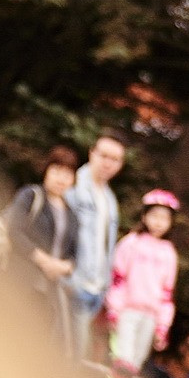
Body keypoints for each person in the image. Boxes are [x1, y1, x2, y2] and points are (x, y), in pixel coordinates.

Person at [2, 146, 82, 348]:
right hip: (19, 280)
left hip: (48, 292)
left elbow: (74, 255)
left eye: (67, 173)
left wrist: (63, 267)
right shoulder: (30, 195)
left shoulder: (72, 215)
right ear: (46, 170)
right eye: (56, 170)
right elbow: (14, 231)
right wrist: (43, 260)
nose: (61, 178)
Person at [103, 189, 181, 378]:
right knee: (123, 359)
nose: (158, 222)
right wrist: (114, 308)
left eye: (164, 218)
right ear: (144, 216)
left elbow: (167, 294)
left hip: (151, 316)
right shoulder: (131, 243)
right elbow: (118, 279)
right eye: (154, 215)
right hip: (128, 311)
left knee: (135, 364)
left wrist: (163, 325)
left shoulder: (169, 253)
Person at [64, 133, 127, 358]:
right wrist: (68, 277)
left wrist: (104, 288)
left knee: (73, 355)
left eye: (115, 159)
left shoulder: (110, 199)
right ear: (92, 153)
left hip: (95, 290)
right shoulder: (73, 186)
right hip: (73, 282)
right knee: (69, 356)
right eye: (104, 156)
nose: (108, 163)